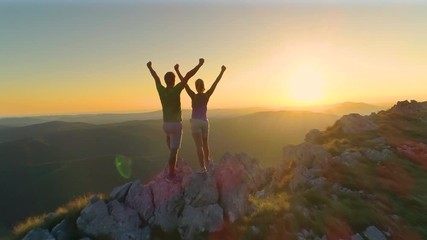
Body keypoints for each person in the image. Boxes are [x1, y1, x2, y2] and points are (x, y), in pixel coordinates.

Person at [147, 58, 204, 182]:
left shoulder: (161, 90)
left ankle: (173, 159)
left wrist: (150, 67)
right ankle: (171, 173)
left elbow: (156, 78)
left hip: (165, 125)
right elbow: (189, 75)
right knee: (174, 150)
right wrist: (199, 64)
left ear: (165, 81)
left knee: (169, 138)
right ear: (173, 80)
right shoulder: (176, 89)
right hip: (175, 125)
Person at [175, 64, 226, 173]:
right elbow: (215, 83)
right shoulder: (207, 95)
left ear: (196, 86)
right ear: (203, 86)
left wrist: (177, 70)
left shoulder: (193, 95)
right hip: (204, 122)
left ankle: (203, 168)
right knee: (205, 144)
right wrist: (222, 71)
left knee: (199, 146)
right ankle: (208, 162)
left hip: (195, 122)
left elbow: (184, 83)